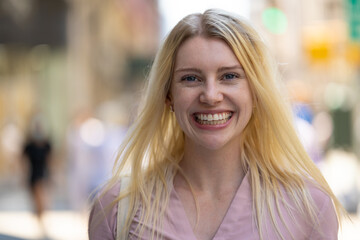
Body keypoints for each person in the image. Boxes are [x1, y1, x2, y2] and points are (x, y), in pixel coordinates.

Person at [89, 9, 345, 240]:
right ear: (168, 96)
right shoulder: (116, 209)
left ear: (255, 92)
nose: (211, 95)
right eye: (191, 78)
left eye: (229, 76)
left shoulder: (309, 209)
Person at [22, 115, 52, 220]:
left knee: (41, 194)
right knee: (34, 196)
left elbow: (50, 159)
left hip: (42, 172)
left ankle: (41, 214)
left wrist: (53, 173)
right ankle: (38, 213)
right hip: (32, 172)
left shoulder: (46, 143)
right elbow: (23, 160)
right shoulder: (29, 144)